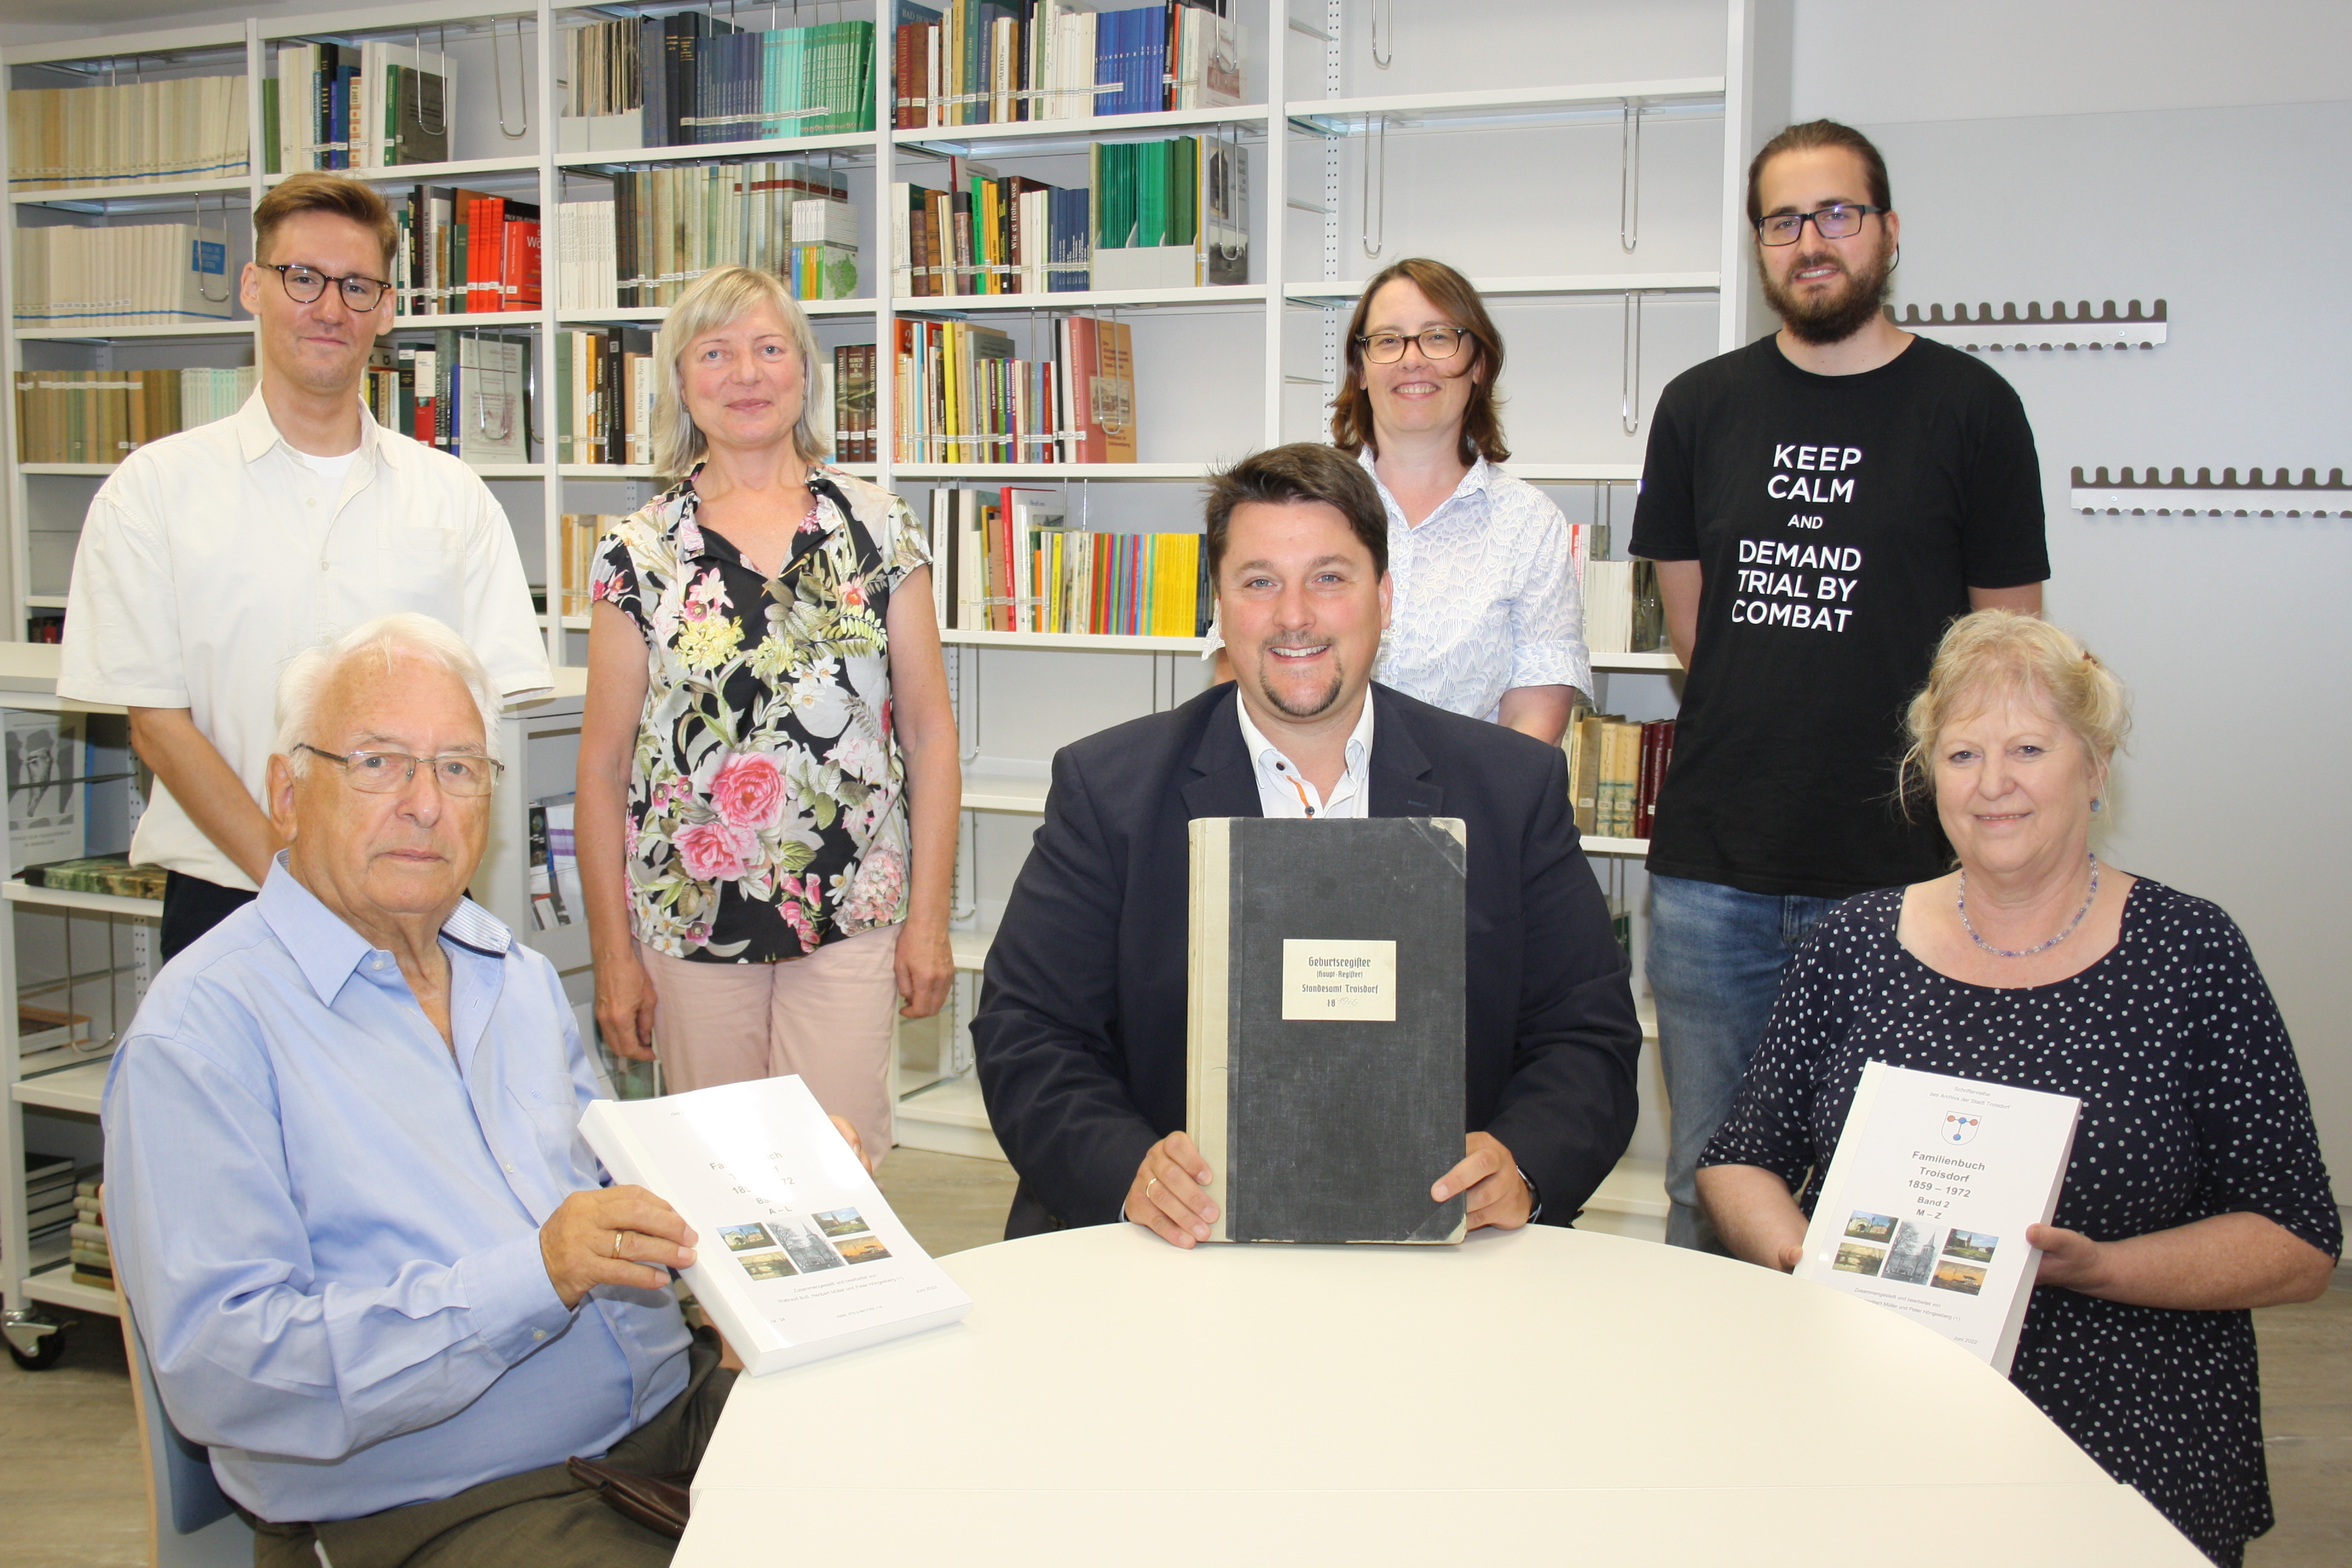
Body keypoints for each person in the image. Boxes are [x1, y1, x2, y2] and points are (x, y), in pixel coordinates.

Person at [102, 613, 867, 1566]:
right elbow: (232, 1379)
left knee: (940, 1492)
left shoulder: (514, 976)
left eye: (460, 768)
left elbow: (612, 1206)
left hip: (668, 1428)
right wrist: (536, 1277)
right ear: (287, 794)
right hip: (445, 1503)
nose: (426, 804)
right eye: (379, 763)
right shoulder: (205, 1033)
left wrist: (780, 1180)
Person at [1696, 611, 2338, 1568]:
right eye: (1962, 754)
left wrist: (2103, 1268)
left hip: (2127, 1441)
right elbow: (1738, 1160)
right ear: (1929, 777)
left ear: (2096, 768)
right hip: (1877, 1422)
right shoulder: (1853, 944)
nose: (1993, 784)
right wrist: (1809, 1258)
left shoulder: (2190, 953)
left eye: (2029, 749)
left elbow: (2297, 1241)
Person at [972, 443, 1641, 1245]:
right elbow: (1028, 1031)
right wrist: (1131, 1173)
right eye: (1260, 582)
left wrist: (1521, 1163)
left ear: (1385, 596)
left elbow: (1588, 1036)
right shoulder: (1107, 789)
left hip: (1438, 1253)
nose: (1295, 617)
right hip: (1176, 1252)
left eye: (1329, 577)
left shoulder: (1510, 789)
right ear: (1219, 605)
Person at [1629, 120, 2051, 1250]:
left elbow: (2007, 663)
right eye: (1782, 220)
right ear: (1760, 243)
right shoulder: (1697, 406)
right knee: (1708, 1184)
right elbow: (1691, 633)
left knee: (1897, 1202)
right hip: (1714, 874)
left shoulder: (1971, 409)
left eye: (1836, 214)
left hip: (1902, 875)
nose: (1809, 241)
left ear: (1887, 232)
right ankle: (1715, 1423)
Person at [57, 172, 549, 961]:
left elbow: (482, 722)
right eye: (303, 278)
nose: (329, 308)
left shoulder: (453, 499)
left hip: (416, 904)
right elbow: (154, 723)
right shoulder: (154, 492)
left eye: (357, 286)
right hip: (232, 903)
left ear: (387, 309)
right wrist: (289, 882)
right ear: (255, 287)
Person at [578, 265, 958, 1163]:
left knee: (843, 1174)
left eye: (768, 349)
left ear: (803, 371)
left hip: (850, 914)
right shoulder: (636, 556)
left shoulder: (880, 530)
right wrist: (614, 957)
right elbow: (601, 768)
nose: (745, 374)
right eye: (715, 353)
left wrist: (929, 919)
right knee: (717, 1189)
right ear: (680, 382)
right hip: (688, 919)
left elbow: (933, 735)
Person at [1210, 258, 1588, 745]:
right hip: (1296, 802)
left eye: (1438, 337)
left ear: (1478, 364)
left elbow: (1533, 723)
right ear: (1361, 370)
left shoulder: (1529, 524)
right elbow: (1238, 665)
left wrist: (1455, 819)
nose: (1412, 359)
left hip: (1465, 811)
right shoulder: (1294, 502)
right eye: (1388, 341)